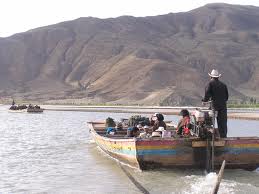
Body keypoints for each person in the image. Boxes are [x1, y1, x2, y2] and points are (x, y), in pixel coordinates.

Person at [202, 69, 229, 138]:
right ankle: (223, 137)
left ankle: (209, 135)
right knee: (222, 123)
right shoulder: (223, 85)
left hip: (214, 106)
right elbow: (226, 97)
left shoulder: (210, 84)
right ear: (218, 77)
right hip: (223, 107)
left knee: (208, 119)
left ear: (211, 77)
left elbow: (207, 94)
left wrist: (204, 101)